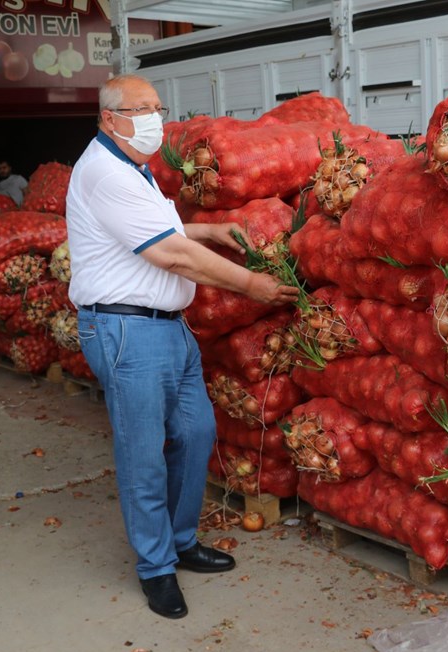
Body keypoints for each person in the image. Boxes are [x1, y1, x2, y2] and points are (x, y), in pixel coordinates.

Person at [65, 74, 299, 620]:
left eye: (157, 107)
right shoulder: (104, 173)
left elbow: (158, 231)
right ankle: (155, 569)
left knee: (196, 433)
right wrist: (251, 285)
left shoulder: (133, 167)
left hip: (167, 326)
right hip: (126, 330)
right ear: (108, 119)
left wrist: (208, 232)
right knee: (143, 452)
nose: (154, 118)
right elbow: (169, 255)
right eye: (140, 109)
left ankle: (180, 540)